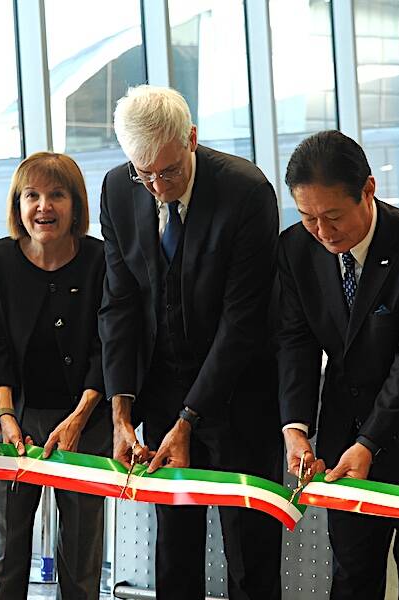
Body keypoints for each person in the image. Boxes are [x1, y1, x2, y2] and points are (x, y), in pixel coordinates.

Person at [98, 85, 282, 600]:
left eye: (170, 171)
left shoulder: (246, 192)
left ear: (192, 140)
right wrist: (121, 409)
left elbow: (242, 321)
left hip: (240, 394)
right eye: (144, 172)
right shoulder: (118, 188)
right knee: (174, 554)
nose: (157, 186)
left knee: (249, 556)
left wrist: (191, 417)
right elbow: (119, 302)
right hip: (161, 389)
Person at [278, 130, 399, 600]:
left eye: (333, 216)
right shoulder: (296, 249)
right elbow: (296, 341)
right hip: (344, 434)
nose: (322, 231)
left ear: (368, 190)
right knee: (352, 572)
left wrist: (371, 442)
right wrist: (296, 426)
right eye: (308, 217)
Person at [0, 152, 111, 600]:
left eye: (57, 195)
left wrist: (81, 415)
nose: (43, 207)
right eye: (32, 195)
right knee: (9, 550)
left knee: (81, 555)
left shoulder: (102, 260)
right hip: (18, 418)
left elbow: (107, 347)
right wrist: (6, 417)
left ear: (76, 206)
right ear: (18, 205)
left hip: (86, 422)